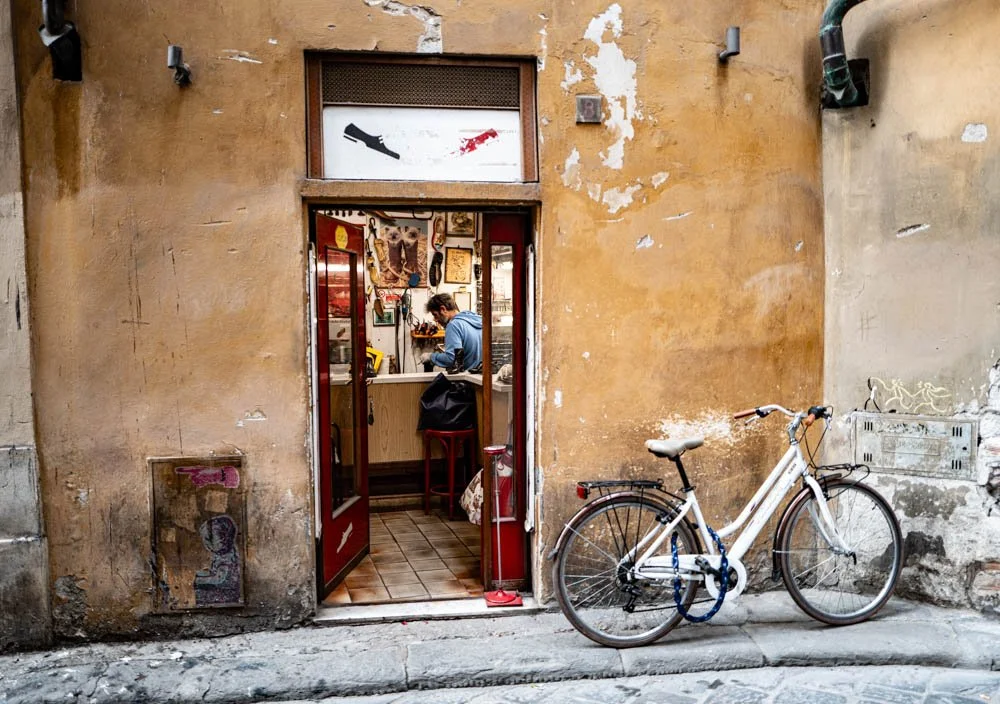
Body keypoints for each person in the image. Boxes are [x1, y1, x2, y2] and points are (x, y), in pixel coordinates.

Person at [420, 293, 483, 372]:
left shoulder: (454, 325)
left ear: (443, 309)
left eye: (435, 315)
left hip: (467, 377)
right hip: (482, 377)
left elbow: (451, 359)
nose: (435, 319)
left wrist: (431, 357)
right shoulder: (476, 319)